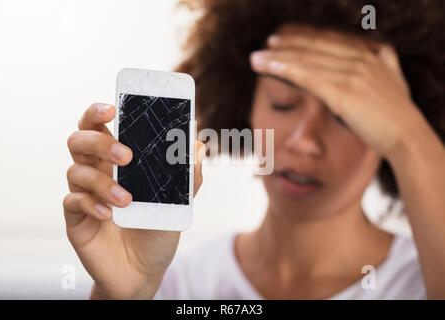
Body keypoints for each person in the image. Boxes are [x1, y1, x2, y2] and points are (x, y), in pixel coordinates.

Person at [63, 0, 445, 299]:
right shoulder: (179, 284)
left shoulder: (423, 282)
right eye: (283, 103)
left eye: (345, 116)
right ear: (247, 103)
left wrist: (411, 137)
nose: (303, 140)